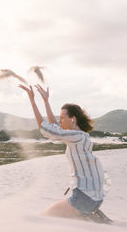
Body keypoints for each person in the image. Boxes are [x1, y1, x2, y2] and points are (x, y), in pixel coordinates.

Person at [18, 84, 107, 221]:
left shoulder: (76, 136)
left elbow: (47, 129)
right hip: (94, 198)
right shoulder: (80, 136)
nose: (60, 121)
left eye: (62, 118)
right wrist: (46, 101)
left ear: (73, 119)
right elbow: (55, 126)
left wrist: (32, 100)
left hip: (84, 197)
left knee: (44, 218)